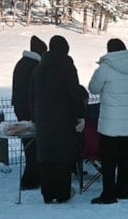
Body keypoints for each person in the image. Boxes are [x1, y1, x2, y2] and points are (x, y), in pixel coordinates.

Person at [29, 35, 86, 204]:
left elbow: (31, 96)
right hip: (64, 119)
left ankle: (48, 193)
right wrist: (80, 115)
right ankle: (62, 192)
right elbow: (74, 92)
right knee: (62, 156)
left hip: (43, 120)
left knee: (46, 156)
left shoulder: (39, 68)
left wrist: (35, 117)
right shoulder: (67, 66)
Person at [88, 38, 128, 204]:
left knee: (109, 159)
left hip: (110, 122)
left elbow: (93, 88)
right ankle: (123, 190)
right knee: (126, 157)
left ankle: (109, 194)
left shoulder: (105, 68)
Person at [11, 35, 47, 190]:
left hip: (20, 108)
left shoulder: (21, 63)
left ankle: (32, 177)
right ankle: (31, 179)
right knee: (33, 145)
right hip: (30, 110)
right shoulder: (35, 66)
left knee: (29, 145)